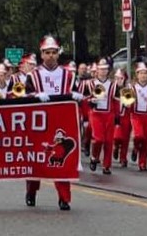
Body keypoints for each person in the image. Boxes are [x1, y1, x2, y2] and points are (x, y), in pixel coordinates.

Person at [24, 35, 83, 211]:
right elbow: (25, 97)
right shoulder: (33, 76)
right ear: (42, 55)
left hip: (62, 123)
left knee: (61, 159)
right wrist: (35, 96)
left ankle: (64, 198)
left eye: (54, 52)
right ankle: (31, 191)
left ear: (58, 54)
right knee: (36, 159)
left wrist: (77, 97)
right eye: (47, 53)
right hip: (39, 123)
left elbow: (77, 95)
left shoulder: (69, 75)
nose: (50, 56)